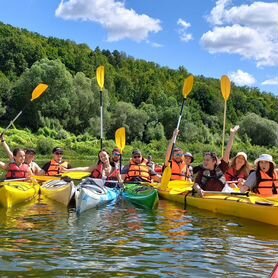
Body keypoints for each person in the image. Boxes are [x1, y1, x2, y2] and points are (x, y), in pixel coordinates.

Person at [193, 125, 239, 196]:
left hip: (223, 193)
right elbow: (195, 185)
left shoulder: (221, 168)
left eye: (207, 160)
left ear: (214, 162)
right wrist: (199, 190)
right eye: (204, 160)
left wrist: (232, 135)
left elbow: (227, 151)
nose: (205, 162)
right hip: (208, 196)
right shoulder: (202, 172)